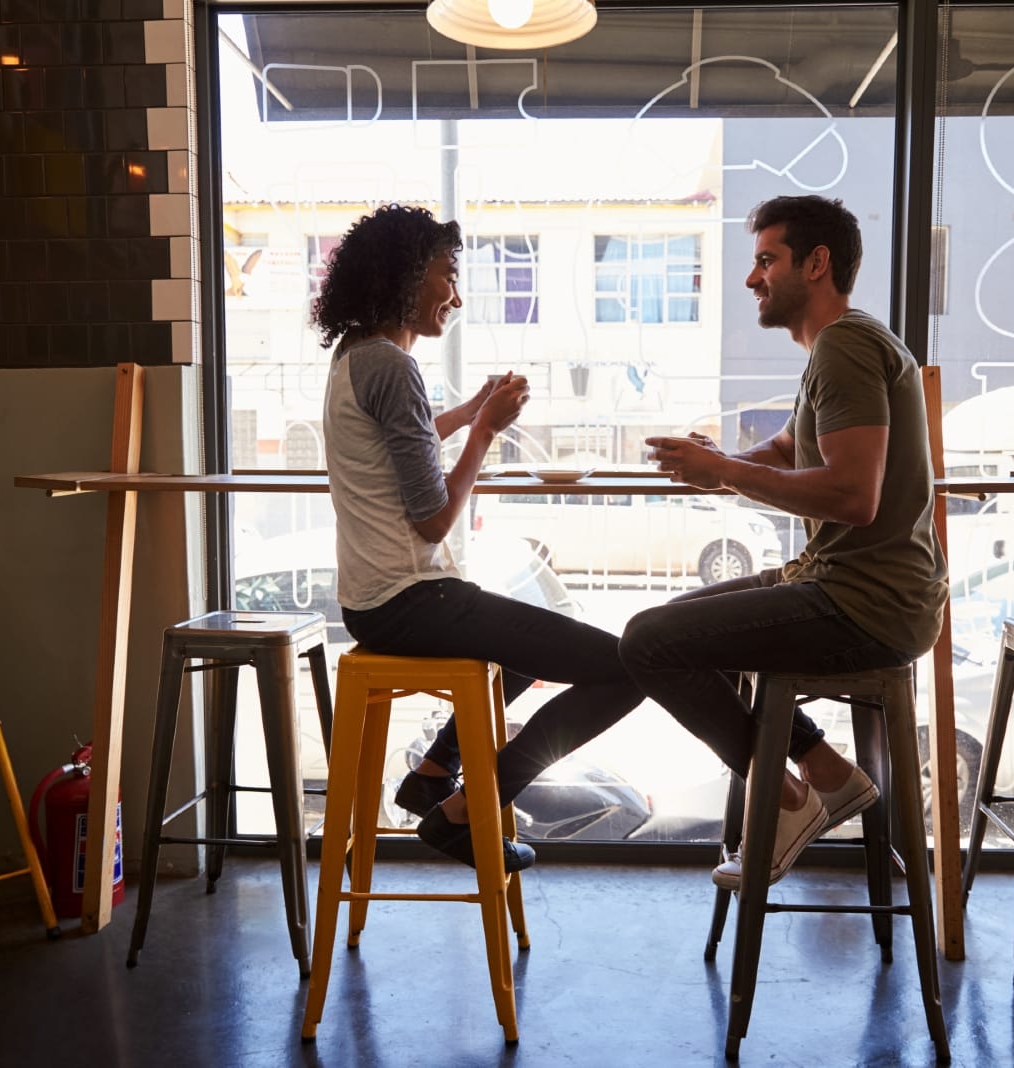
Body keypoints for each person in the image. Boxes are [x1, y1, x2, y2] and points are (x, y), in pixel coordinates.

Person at [618, 195, 947, 889]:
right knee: (670, 633)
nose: (751, 278)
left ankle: (793, 799)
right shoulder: (843, 345)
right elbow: (789, 447)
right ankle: (824, 771)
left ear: (816, 264)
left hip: (863, 603)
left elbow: (854, 497)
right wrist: (720, 462)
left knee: (651, 641)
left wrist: (726, 474)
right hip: (847, 586)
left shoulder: (845, 348)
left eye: (767, 260)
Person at [315, 203, 644, 873]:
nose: (456, 296)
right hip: (411, 600)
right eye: (447, 276)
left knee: (535, 635)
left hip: (374, 601)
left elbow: (397, 448)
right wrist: (487, 432)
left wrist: (465, 413)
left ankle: (435, 771)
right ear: (405, 278)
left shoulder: (357, 357)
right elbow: (432, 517)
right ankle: (465, 810)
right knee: (626, 667)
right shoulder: (392, 367)